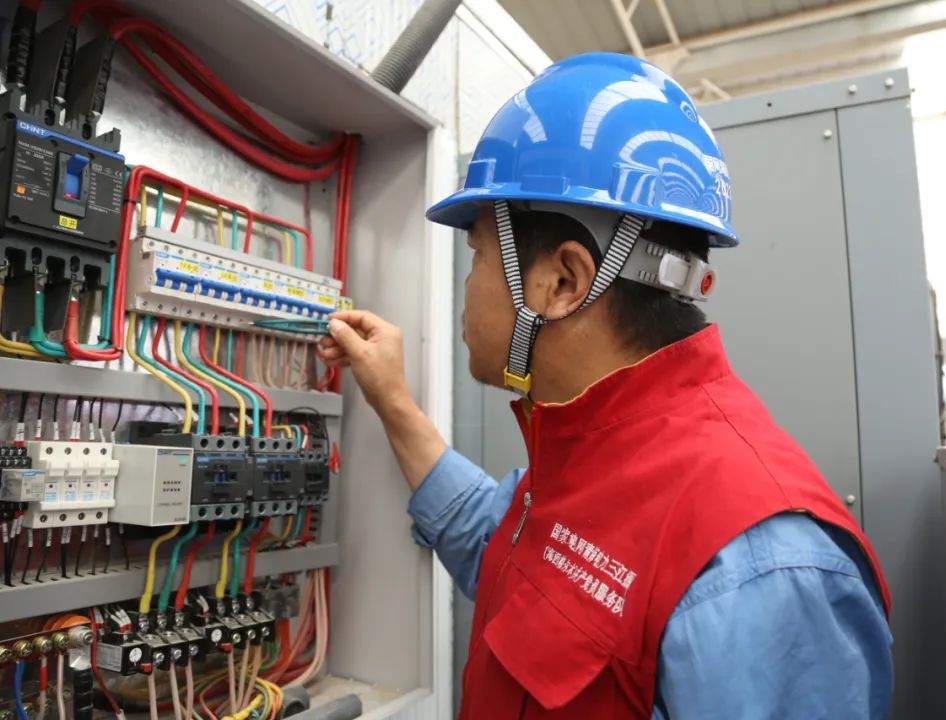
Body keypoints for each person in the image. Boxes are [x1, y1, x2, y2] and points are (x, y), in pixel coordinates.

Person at [319, 52, 893, 719]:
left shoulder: (758, 570)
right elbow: (500, 548)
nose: (467, 286)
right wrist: (391, 399)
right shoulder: (590, 453)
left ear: (562, 282)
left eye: (477, 254)